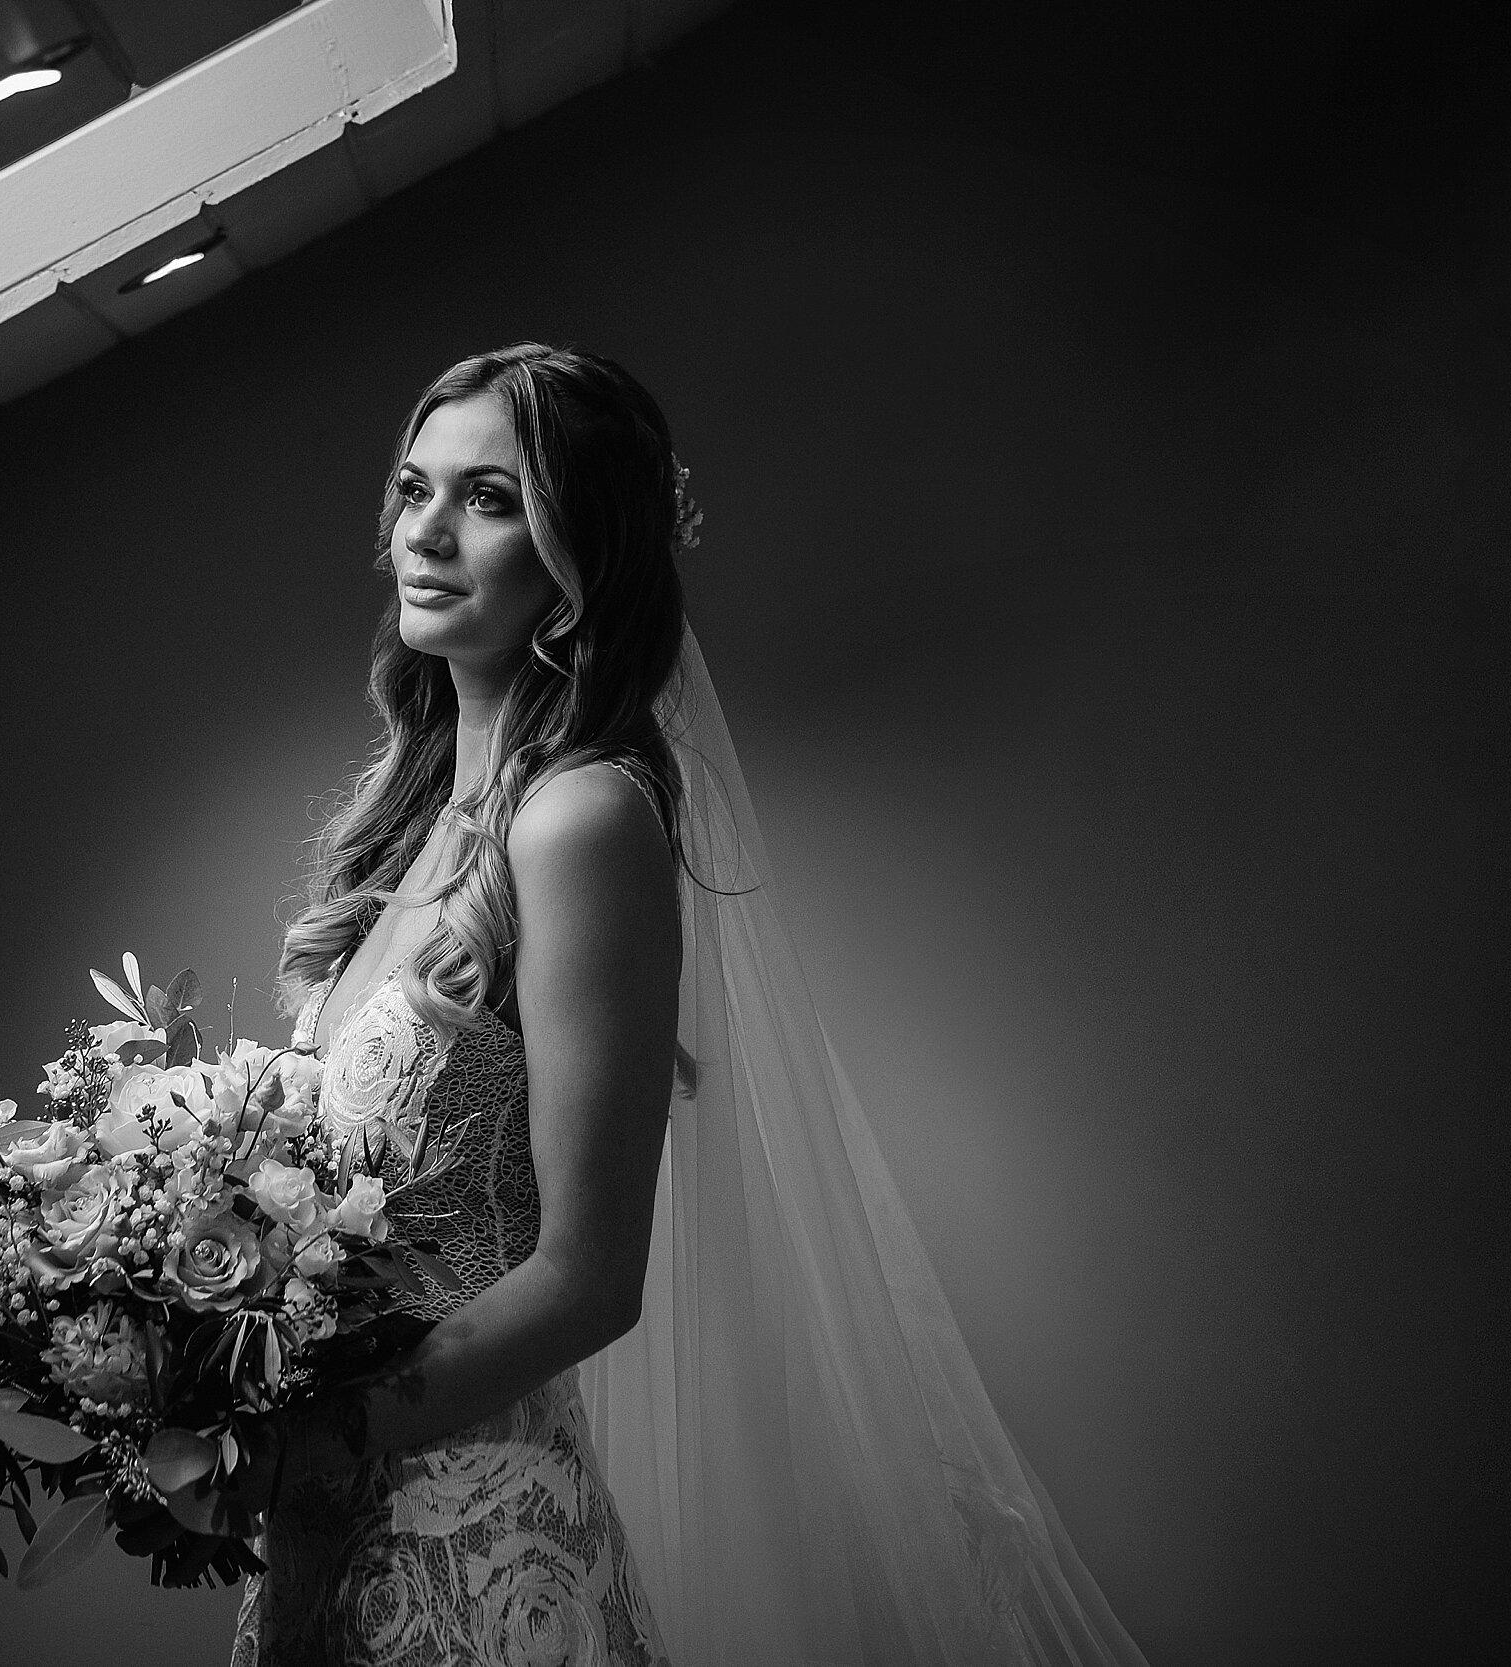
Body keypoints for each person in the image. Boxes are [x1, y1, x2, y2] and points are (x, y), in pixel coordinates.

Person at [207, 344, 1147, 1667]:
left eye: (489, 496)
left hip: (478, 1557)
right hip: (335, 1530)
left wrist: (317, 1439)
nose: (424, 529)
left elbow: (589, 1281)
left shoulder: (580, 817)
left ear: (579, 545)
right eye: (414, 486)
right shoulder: (407, 829)